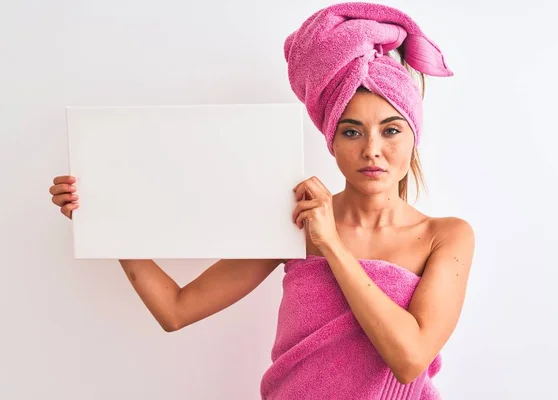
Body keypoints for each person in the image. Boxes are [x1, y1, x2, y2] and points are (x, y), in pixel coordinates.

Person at [49, 3, 474, 399]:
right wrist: (103, 219)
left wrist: (331, 246)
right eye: (351, 131)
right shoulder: (293, 222)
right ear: (331, 140)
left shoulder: (445, 237)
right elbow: (175, 309)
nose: (372, 150)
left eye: (391, 130)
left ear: (414, 135)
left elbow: (409, 358)